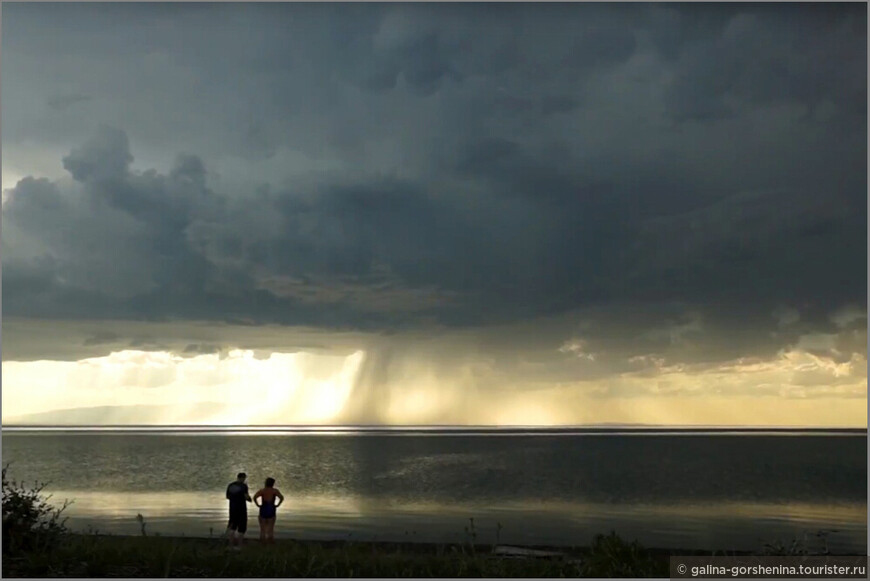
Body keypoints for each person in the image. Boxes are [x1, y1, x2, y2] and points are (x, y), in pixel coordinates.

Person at [253, 477, 284, 545]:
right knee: (271, 527)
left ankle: (262, 542)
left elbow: (254, 497)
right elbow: (281, 498)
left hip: (263, 508)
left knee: (262, 528)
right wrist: (278, 504)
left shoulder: (262, 490)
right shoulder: (275, 491)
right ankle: (270, 542)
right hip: (271, 508)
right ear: (273, 484)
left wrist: (257, 504)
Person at [225, 472, 252, 550]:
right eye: (244, 478)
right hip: (241, 509)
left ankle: (230, 546)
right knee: (241, 528)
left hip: (232, 509)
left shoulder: (230, 485)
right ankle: (239, 546)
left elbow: (228, 497)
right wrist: (250, 499)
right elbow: (246, 497)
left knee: (232, 527)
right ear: (243, 478)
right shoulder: (243, 486)